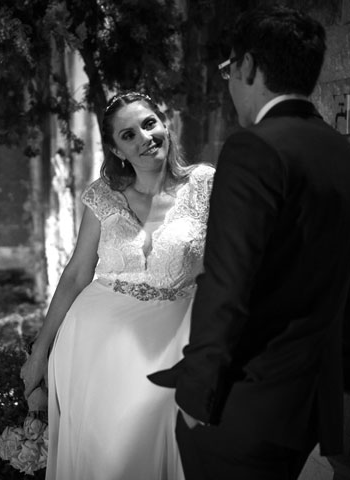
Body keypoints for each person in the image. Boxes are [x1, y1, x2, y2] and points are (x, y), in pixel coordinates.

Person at [148, 6, 350, 480]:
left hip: (244, 406)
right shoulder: (347, 158)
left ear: (249, 67)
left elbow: (227, 283)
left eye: (229, 70)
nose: (229, 83)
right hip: (306, 409)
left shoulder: (253, 147)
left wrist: (197, 394)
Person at [19, 91, 215, 480]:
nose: (144, 138)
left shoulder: (206, 184)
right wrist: (40, 350)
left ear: (165, 124)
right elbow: (77, 273)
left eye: (148, 124)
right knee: (104, 463)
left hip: (173, 344)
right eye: (128, 135)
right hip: (92, 348)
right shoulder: (102, 196)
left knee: (156, 453)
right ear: (117, 149)